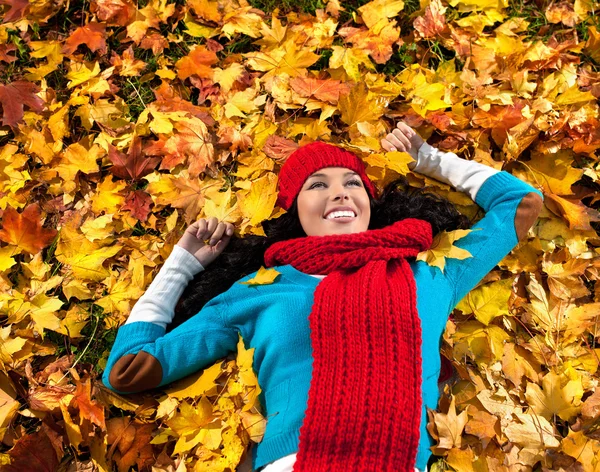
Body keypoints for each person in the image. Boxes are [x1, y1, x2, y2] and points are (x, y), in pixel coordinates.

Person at [103, 121, 544, 472]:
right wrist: (181, 266)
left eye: (353, 183)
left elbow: (521, 203)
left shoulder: (430, 270)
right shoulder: (261, 289)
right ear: (295, 210)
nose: (339, 191)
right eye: (317, 185)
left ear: (370, 202)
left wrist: (426, 159)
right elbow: (127, 371)